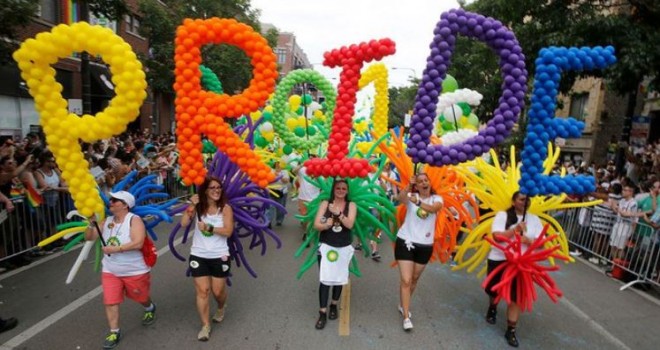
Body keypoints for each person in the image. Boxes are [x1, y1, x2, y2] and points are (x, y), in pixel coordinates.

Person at [84, 191, 156, 349]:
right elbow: (89, 237)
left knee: (141, 297)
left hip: (134, 270)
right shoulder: (106, 220)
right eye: (111, 199)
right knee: (110, 302)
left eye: (115, 200)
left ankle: (149, 307)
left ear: (125, 205)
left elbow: (138, 243)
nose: (111, 202)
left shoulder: (134, 220)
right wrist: (91, 224)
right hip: (110, 270)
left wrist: (116, 249)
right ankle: (114, 331)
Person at [485, 191, 544, 347]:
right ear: (513, 201)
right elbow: (497, 237)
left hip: (520, 264)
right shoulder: (502, 216)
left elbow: (542, 241)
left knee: (516, 298)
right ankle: (492, 307)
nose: (526, 202)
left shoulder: (534, 219)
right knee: (493, 290)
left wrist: (529, 240)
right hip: (499, 260)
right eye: (522, 199)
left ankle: (511, 330)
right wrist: (515, 230)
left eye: (528, 199)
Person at [180, 176, 234, 341]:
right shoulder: (198, 208)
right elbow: (183, 223)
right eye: (212, 188)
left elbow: (228, 231)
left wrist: (209, 227)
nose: (216, 190)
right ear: (205, 191)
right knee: (203, 291)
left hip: (220, 255)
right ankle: (205, 326)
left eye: (219, 187)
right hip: (199, 254)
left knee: (218, 291)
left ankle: (220, 306)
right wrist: (191, 205)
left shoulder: (225, 209)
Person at [395, 173, 443, 331]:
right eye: (420, 181)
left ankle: (403, 304)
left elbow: (433, 209)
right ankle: (406, 316)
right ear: (417, 185)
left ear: (430, 182)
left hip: (425, 245)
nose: (423, 183)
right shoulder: (411, 195)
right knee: (406, 280)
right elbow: (399, 198)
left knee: (414, 279)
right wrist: (409, 186)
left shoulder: (437, 199)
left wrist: (418, 202)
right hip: (406, 241)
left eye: (426, 180)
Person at [312, 178, 357, 330]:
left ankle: (333, 305)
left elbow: (350, 224)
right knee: (325, 279)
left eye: (344, 188)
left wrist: (338, 214)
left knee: (339, 278)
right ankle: (322, 312)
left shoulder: (351, 205)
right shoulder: (325, 203)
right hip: (326, 246)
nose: (341, 191)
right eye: (338, 188)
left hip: (343, 246)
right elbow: (316, 225)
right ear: (333, 189)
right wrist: (326, 225)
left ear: (347, 190)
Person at [295, 159, 320, 234]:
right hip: (303, 198)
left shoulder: (320, 172)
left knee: (311, 217)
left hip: (314, 199)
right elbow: (294, 170)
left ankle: (307, 233)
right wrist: (303, 164)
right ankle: (306, 229)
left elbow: (324, 182)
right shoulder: (303, 170)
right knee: (305, 217)